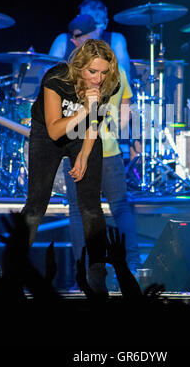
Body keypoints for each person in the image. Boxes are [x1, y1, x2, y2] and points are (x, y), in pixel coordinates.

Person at [21, 39, 120, 294]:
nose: (98, 79)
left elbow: (94, 123)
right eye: (92, 72)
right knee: (35, 206)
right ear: (79, 67)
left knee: (90, 206)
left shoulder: (108, 83)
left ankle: (97, 275)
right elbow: (55, 131)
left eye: (103, 72)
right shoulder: (56, 79)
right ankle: (14, 271)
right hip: (47, 131)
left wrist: (85, 154)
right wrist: (86, 108)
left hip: (83, 132)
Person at [50, 13, 141, 289]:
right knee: (121, 207)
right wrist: (113, 129)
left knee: (79, 212)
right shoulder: (117, 72)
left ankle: (85, 274)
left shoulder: (69, 76)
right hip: (109, 150)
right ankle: (133, 267)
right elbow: (125, 114)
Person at [49, 0, 131, 81]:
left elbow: (124, 77)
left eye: (97, 24)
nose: (93, 31)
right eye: (87, 24)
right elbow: (49, 75)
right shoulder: (63, 40)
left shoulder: (116, 40)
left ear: (105, 24)